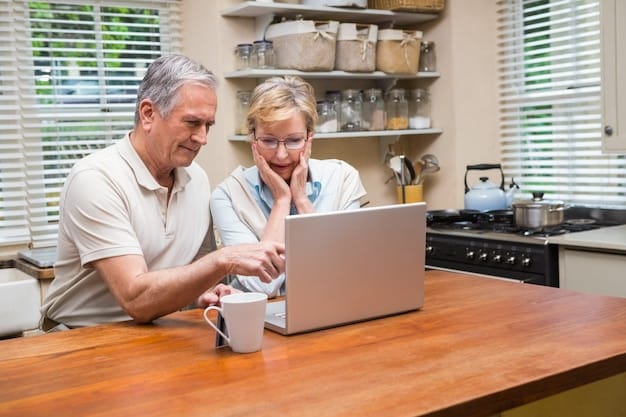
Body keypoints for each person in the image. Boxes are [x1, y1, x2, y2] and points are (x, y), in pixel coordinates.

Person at [40, 55, 285, 331]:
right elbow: (136, 299)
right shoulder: (96, 179)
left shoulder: (197, 179)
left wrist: (207, 291)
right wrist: (224, 259)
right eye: (192, 123)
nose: (202, 138)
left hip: (157, 331)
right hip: (80, 337)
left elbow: (195, 265)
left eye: (208, 125)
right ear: (148, 114)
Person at [210, 76, 367, 297]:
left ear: (309, 138)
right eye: (268, 141)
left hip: (330, 308)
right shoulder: (227, 195)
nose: (281, 155)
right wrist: (282, 201)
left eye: (294, 141)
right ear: (252, 139)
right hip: (260, 319)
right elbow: (263, 285)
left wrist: (301, 199)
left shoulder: (343, 179)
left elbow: (342, 273)